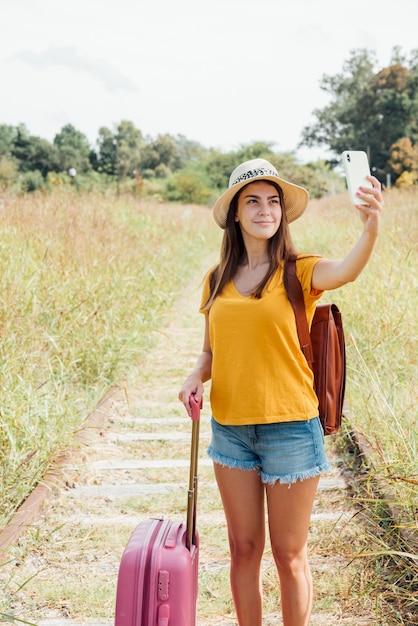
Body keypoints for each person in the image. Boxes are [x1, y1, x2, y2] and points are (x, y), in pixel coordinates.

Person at [178, 158, 383, 626]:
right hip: (230, 430)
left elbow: (348, 270)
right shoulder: (217, 279)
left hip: (290, 427)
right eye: (253, 201)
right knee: (243, 549)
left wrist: (370, 228)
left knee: (289, 555)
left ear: (282, 213)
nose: (264, 210)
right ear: (235, 212)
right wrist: (194, 376)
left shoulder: (299, 270)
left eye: (273, 202)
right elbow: (210, 352)